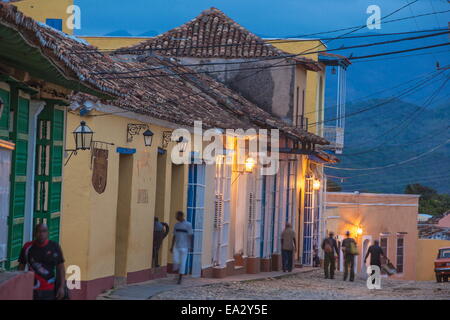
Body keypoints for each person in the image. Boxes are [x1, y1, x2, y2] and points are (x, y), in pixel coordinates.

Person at [18, 224, 67, 300]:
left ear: (47, 233)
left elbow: (61, 268)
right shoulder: (27, 247)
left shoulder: (54, 246)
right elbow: (21, 267)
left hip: (49, 289)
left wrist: (62, 287)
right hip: (32, 288)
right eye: (39, 231)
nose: (41, 234)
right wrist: (19, 285)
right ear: (34, 233)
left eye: (44, 231)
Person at [170, 211, 193, 284]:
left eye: (177, 216)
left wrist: (191, 245)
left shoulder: (188, 225)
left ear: (181, 216)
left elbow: (191, 236)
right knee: (175, 261)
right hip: (176, 246)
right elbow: (174, 236)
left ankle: (180, 277)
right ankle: (178, 273)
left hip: (185, 246)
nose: (176, 217)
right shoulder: (176, 225)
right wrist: (172, 246)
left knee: (183, 262)